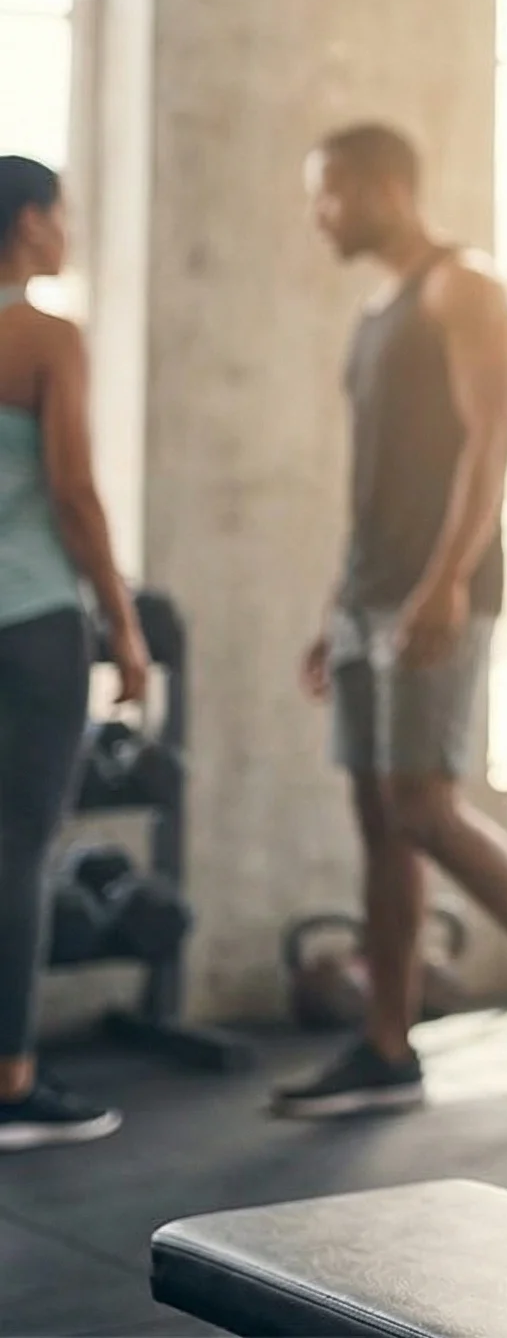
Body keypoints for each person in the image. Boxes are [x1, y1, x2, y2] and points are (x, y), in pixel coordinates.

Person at [273, 123, 507, 1118]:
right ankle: (388, 1046)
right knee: (379, 823)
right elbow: (372, 481)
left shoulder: (458, 285)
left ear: (385, 185)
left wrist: (444, 579)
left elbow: (490, 440)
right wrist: (336, 603)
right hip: (367, 590)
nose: (320, 213)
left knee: (421, 803)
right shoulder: (377, 308)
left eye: (331, 191)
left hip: (436, 588)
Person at [0, 156, 149, 1150]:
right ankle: (11, 1078)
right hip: (36, 621)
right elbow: (75, 493)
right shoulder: (46, 334)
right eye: (62, 214)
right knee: (16, 849)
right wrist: (124, 624)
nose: (70, 231)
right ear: (30, 222)